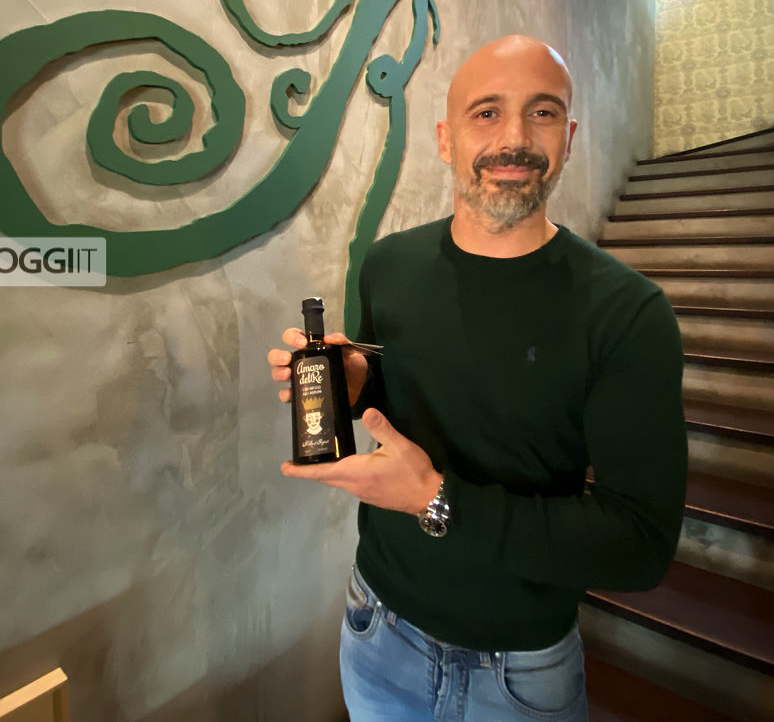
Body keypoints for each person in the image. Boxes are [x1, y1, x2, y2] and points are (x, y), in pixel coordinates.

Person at [267, 35, 687, 722]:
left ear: (569, 137)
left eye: (542, 112)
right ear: (446, 138)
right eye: (486, 112)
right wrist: (356, 385)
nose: (514, 138)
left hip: (520, 670)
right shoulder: (388, 266)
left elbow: (639, 544)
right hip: (377, 628)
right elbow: (403, 407)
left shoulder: (628, 313)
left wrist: (438, 500)